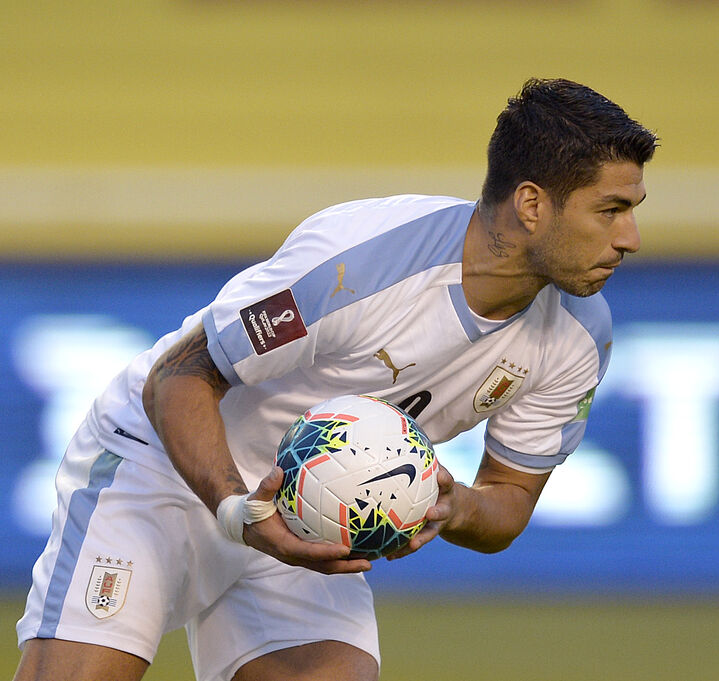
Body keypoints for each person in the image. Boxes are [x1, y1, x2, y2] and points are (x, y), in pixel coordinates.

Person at [13, 77, 658, 681]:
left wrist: (454, 504)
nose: (629, 237)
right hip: (163, 469)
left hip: (311, 515)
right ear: (531, 204)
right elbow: (176, 378)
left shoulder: (579, 336)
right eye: (610, 210)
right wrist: (239, 511)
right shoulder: (359, 265)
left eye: (631, 210)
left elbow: (508, 499)